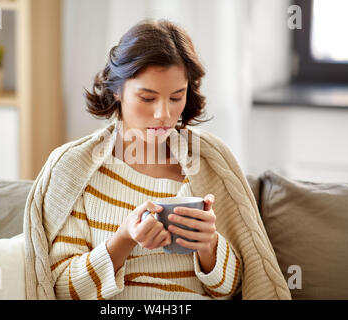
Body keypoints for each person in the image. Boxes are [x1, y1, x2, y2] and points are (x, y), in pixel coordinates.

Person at [23, 19, 292, 300]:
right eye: (148, 98)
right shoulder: (77, 170)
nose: (163, 115)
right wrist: (124, 240)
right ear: (117, 90)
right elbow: (62, 290)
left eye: (176, 97)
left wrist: (209, 245)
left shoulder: (209, 164)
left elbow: (229, 289)